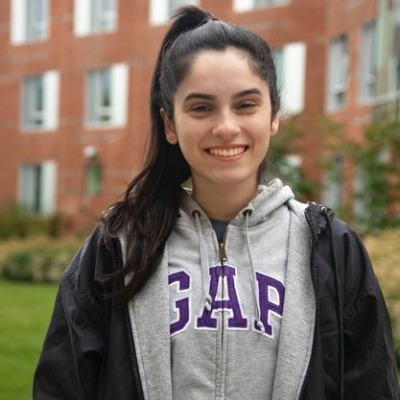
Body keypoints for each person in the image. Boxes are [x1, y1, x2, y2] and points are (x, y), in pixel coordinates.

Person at [33, 6, 399, 400]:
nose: (226, 126)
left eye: (245, 105)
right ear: (170, 124)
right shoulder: (117, 248)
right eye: (201, 107)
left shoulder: (331, 252)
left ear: (274, 114)